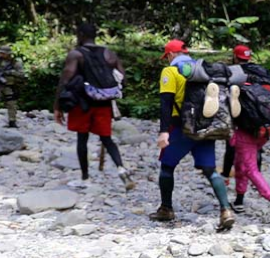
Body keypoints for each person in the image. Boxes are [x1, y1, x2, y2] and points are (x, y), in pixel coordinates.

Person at [152, 39, 236, 231]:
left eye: (167, 57)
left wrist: (164, 131)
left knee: (167, 166)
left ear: (171, 55)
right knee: (210, 170)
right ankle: (226, 210)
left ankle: (166, 209)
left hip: (180, 128)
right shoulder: (203, 70)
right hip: (206, 126)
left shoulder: (171, 71)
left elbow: (166, 103)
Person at [53, 23, 134, 191]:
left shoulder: (76, 54)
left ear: (81, 34)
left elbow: (65, 79)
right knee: (107, 139)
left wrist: (57, 106)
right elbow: (123, 79)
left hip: (82, 104)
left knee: (82, 139)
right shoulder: (108, 53)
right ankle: (121, 169)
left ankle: (85, 178)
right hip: (104, 104)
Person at [225, 45, 270, 219]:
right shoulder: (260, 73)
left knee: (249, 168)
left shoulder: (234, 73)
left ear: (235, 56)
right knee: (240, 164)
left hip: (245, 130)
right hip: (266, 128)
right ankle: (239, 201)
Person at [0, 45, 23, 128]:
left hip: (9, 86)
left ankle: (12, 121)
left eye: (3, 53)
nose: (1, 55)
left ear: (8, 54)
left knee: (11, 104)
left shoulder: (15, 63)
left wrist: (10, 72)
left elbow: (21, 74)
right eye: (0, 53)